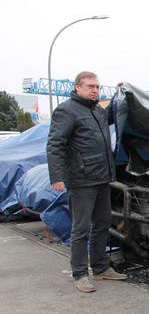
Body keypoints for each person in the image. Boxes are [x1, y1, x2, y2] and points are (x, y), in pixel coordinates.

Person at [47, 71, 127, 293]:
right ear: (77, 87)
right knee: (81, 228)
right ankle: (80, 274)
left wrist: (119, 95)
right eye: (91, 86)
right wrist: (57, 176)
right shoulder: (66, 110)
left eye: (98, 87)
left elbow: (111, 116)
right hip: (81, 180)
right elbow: (55, 145)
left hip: (102, 177)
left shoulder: (96, 109)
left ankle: (101, 268)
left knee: (103, 223)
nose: (95, 90)